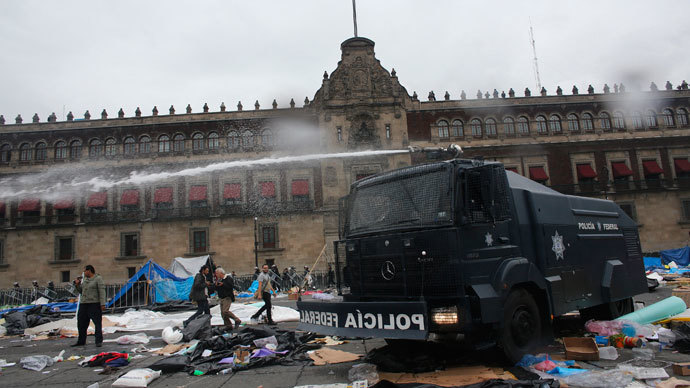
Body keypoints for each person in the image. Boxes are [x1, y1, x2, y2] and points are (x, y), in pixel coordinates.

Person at [72, 265, 106, 347]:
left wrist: (102, 303)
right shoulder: (84, 280)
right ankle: (81, 340)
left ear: (89, 271)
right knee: (81, 323)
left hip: (94, 303)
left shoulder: (98, 279)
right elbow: (81, 291)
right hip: (84, 304)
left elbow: (102, 291)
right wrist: (77, 285)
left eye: (85, 271)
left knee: (97, 323)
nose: (84, 272)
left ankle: (98, 341)